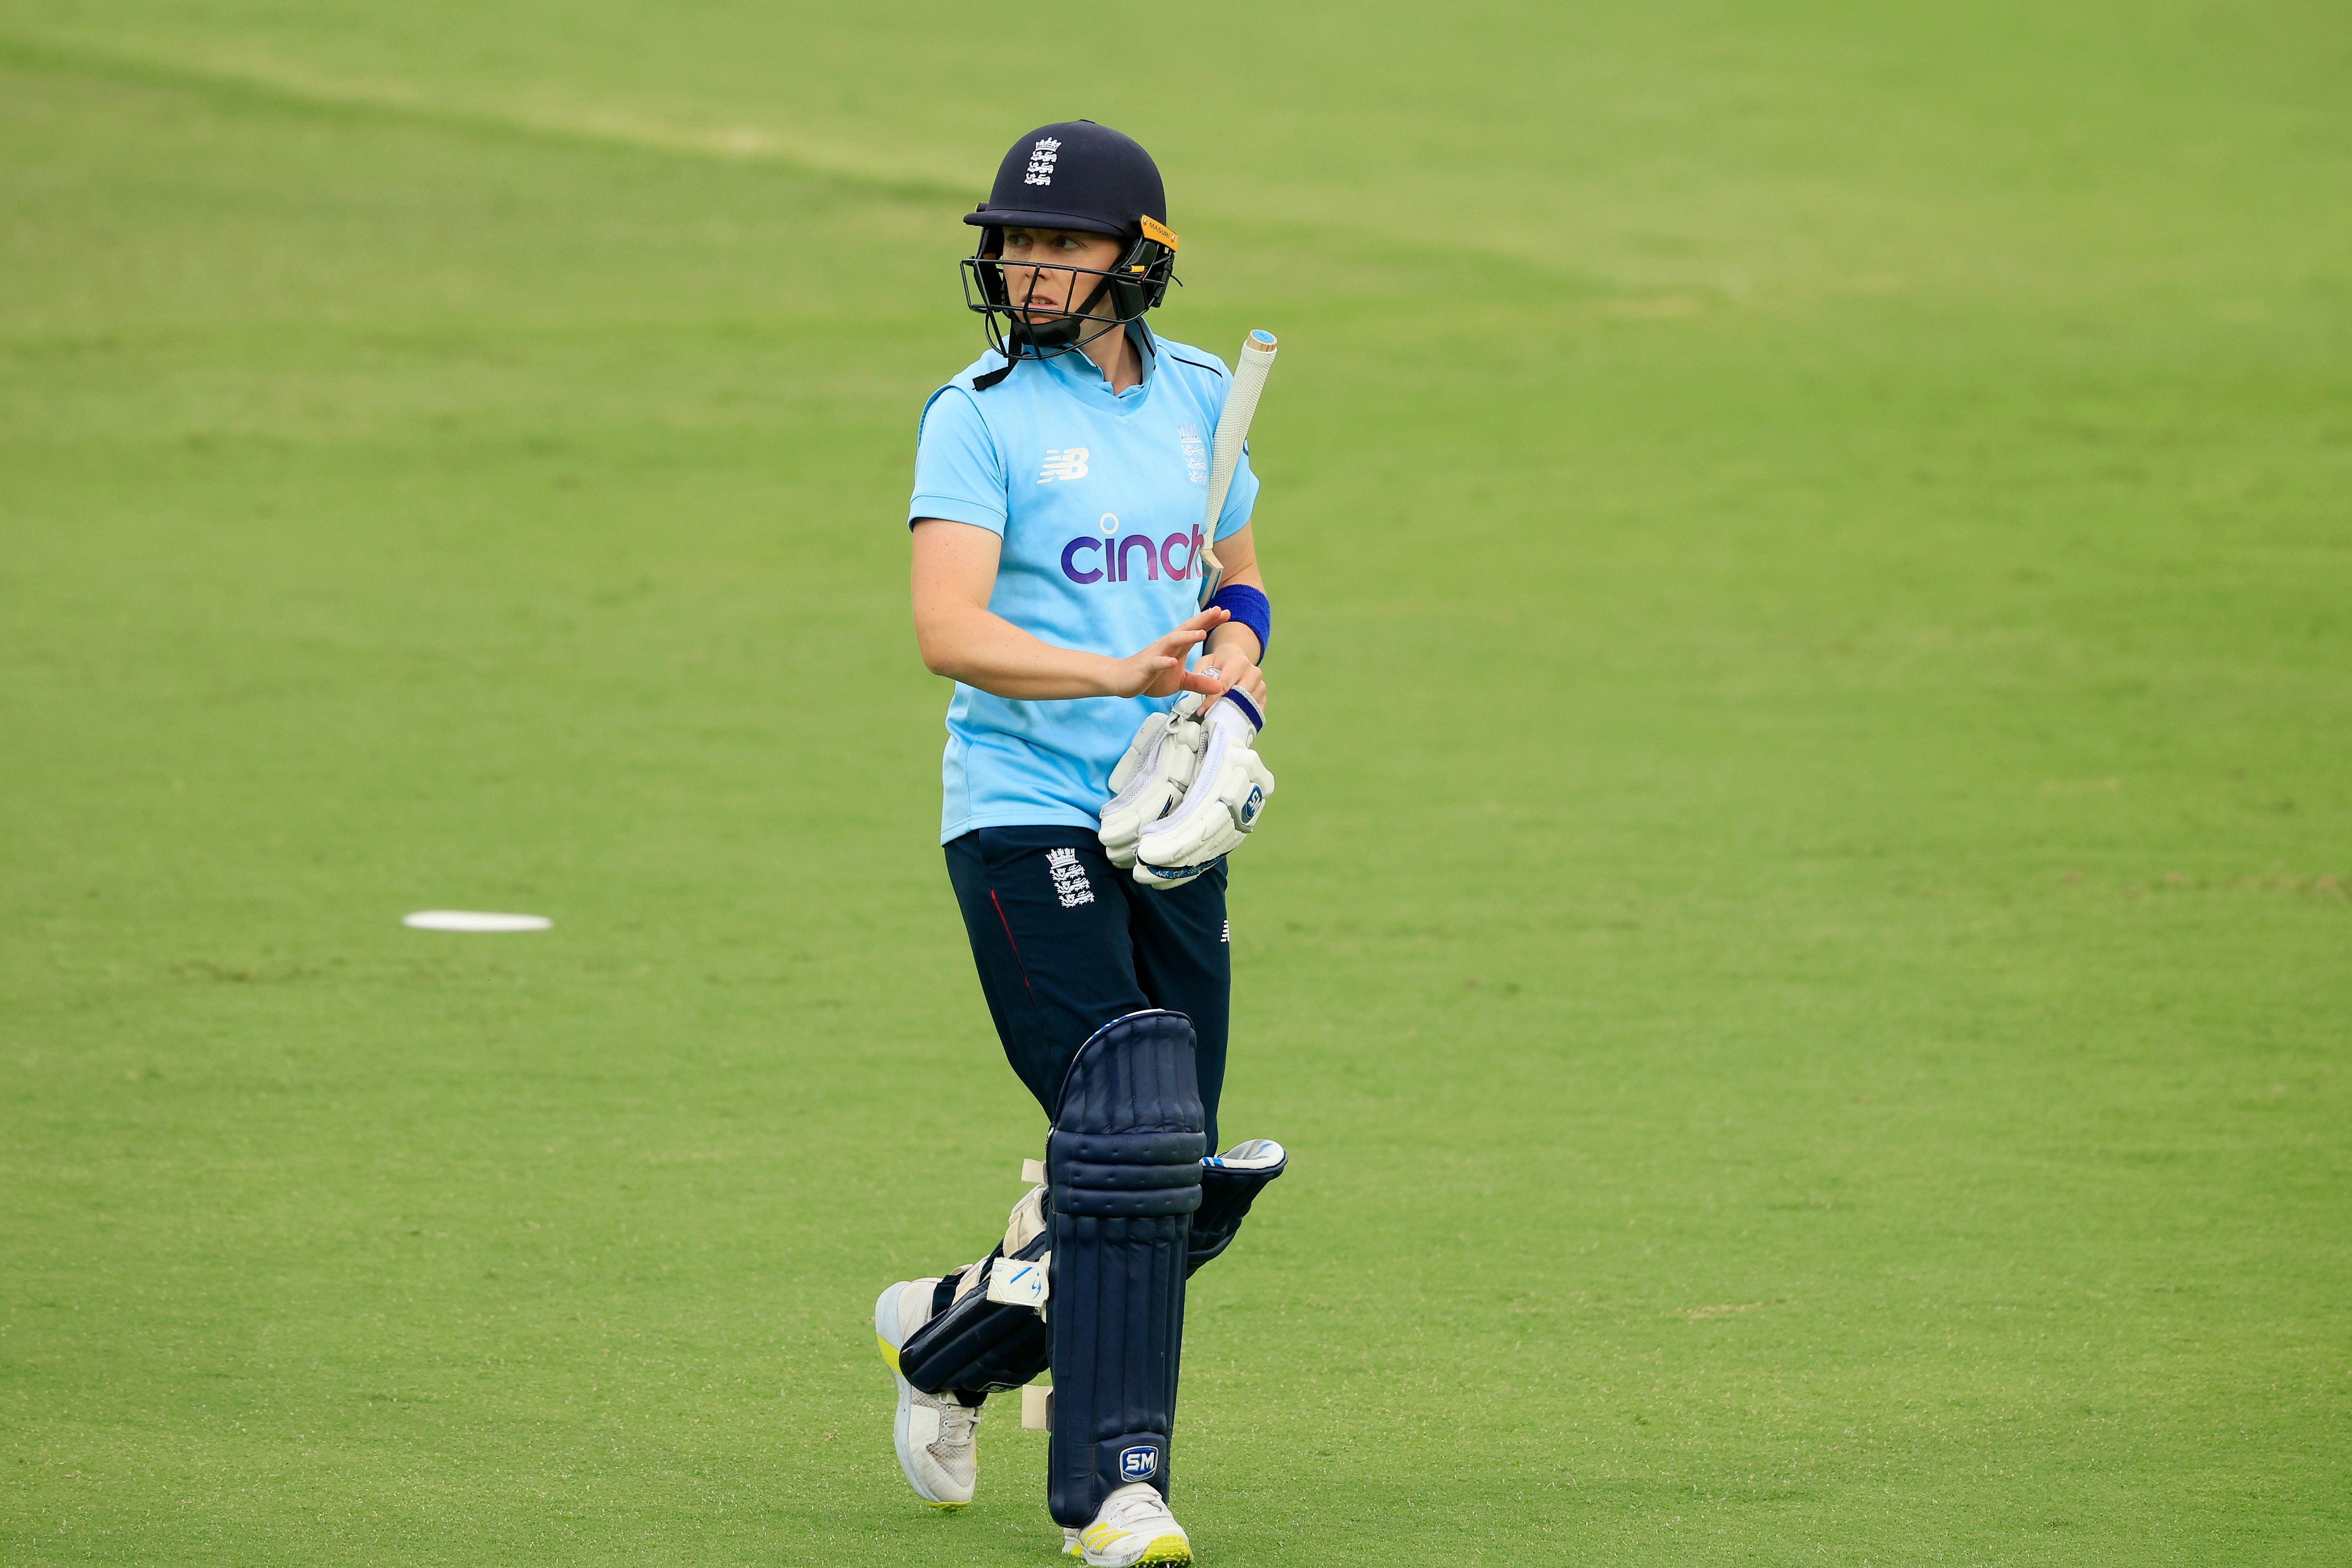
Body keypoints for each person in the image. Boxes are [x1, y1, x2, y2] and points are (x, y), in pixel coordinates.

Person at [870, 120, 1288, 1568]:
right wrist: (1121, 673)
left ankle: (950, 1340)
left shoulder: (1197, 401)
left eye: (1064, 245)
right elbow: (950, 631)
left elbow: (1237, 583)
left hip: (1162, 813)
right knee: (1134, 1130)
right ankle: (1120, 1494)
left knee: (1169, 1184)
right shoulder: (974, 414)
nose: (1031, 269)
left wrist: (1231, 668)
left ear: (1139, 260)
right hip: (1023, 811)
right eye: (1017, 243)